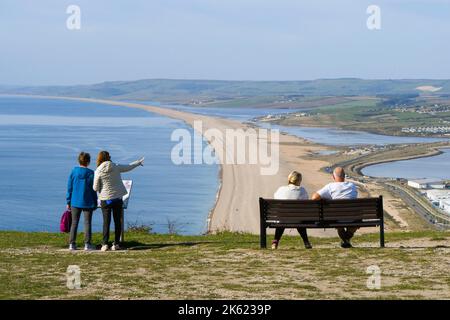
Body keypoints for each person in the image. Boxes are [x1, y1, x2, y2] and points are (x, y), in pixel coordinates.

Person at [94, 151, 144, 252]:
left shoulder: (98, 171)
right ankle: (116, 244)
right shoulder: (115, 166)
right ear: (109, 157)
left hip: (105, 199)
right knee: (117, 221)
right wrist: (138, 163)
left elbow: (95, 187)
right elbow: (128, 167)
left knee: (106, 222)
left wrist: (100, 188)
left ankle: (104, 244)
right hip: (117, 198)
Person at [311, 167, 358, 248]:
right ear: (344, 176)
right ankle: (346, 240)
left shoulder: (330, 186)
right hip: (352, 217)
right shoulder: (352, 186)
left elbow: (314, 198)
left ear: (333, 177)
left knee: (339, 224)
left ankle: (345, 240)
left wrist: (325, 198)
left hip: (336, 218)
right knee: (355, 221)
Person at [272, 171, 312, 249]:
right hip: (297, 219)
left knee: (283, 217)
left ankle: (275, 242)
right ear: (299, 181)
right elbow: (306, 203)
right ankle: (306, 242)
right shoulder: (302, 190)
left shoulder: (281, 189)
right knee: (299, 217)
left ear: (289, 179)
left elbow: (276, 198)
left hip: (282, 219)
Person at [66, 152, 98, 251]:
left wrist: (68, 201)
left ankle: (72, 244)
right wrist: (95, 201)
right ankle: (87, 244)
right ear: (88, 161)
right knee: (87, 223)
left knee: (74, 223)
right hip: (88, 202)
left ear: (79, 160)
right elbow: (94, 189)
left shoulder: (73, 172)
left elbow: (69, 187)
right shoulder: (91, 173)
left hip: (75, 201)